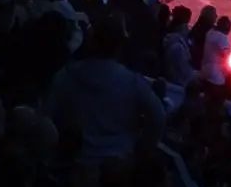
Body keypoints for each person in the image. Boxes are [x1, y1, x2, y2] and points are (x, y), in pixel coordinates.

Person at [44, 14, 165, 161]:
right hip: (116, 161)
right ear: (120, 45)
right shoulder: (132, 82)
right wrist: (142, 151)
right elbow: (158, 117)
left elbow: (48, 114)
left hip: (73, 158)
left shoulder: (67, 74)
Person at [162, 5, 196, 86]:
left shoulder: (169, 37)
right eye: (186, 23)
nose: (187, 28)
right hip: (179, 83)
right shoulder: (177, 46)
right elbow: (183, 71)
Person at [200, 15, 231, 97]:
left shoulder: (210, 33)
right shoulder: (222, 38)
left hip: (204, 70)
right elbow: (226, 55)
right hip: (216, 76)